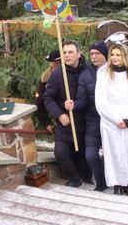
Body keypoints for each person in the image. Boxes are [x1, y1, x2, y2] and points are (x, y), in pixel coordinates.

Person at [95, 43, 128, 197]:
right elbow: (100, 102)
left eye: (118, 55)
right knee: (113, 152)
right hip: (110, 121)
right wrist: (115, 120)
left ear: (125, 56)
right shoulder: (103, 74)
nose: (115, 58)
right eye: (113, 55)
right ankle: (116, 183)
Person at [65, 41, 108, 191]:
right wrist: (74, 105)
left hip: (110, 121)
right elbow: (82, 100)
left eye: (98, 54)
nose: (94, 57)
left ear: (105, 55)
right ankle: (101, 183)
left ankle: (116, 182)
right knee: (91, 155)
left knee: (112, 154)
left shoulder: (114, 72)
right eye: (92, 54)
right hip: (93, 121)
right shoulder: (85, 74)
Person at [44, 40, 88, 187]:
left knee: (83, 154)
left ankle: (86, 176)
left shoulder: (88, 70)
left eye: (70, 52)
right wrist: (59, 115)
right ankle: (75, 178)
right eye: (64, 52)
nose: (67, 55)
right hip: (65, 122)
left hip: (84, 122)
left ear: (79, 54)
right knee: (61, 153)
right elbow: (48, 98)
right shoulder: (58, 74)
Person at [36, 49, 60, 133]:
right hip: (60, 122)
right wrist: (47, 123)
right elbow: (39, 104)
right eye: (53, 62)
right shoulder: (45, 80)